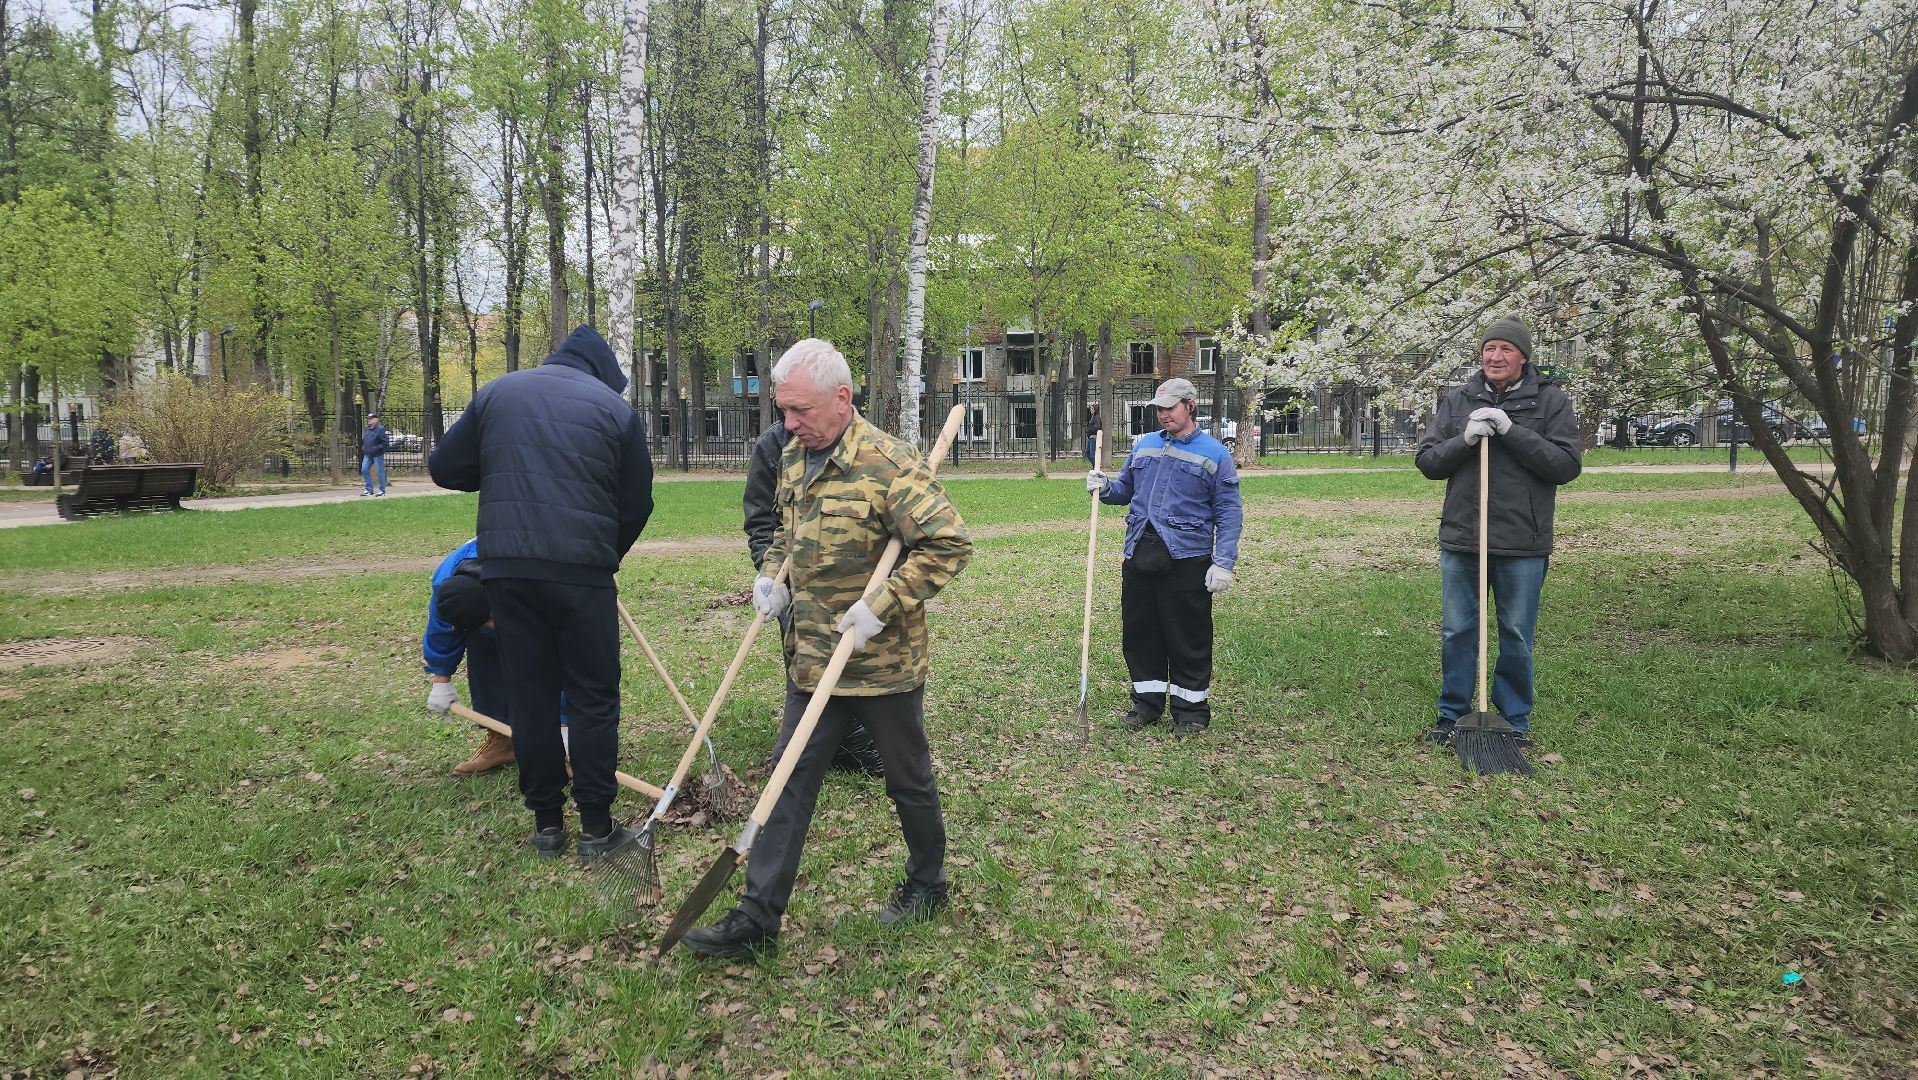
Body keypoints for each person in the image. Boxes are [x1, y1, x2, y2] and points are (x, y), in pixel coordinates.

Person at [682, 338, 972, 960]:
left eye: (800, 410)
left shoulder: (888, 463)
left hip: (881, 664)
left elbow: (948, 544)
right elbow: (785, 535)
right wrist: (773, 578)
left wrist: (880, 605)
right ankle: (757, 917)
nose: (788, 423)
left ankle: (928, 883)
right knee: (787, 782)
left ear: (842, 398)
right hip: (812, 658)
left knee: (907, 779)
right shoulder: (793, 457)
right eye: (783, 409)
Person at [428, 325, 655, 860]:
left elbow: (446, 467)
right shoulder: (616, 410)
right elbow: (637, 502)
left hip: (507, 571)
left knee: (529, 694)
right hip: (583, 575)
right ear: (603, 373)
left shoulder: (497, 393)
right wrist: (604, 555)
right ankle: (597, 828)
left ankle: (547, 826)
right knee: (593, 697)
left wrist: (503, 463)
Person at [1414, 315, 1581, 747]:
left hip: (1522, 539)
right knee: (1457, 631)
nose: (1495, 356)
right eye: (1489, 348)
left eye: (1506, 348)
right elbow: (1428, 462)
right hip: (1463, 538)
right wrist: (1465, 440)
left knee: (1516, 634)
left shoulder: (1551, 403)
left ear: (1523, 356)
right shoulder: (1459, 400)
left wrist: (1511, 431)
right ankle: (1452, 716)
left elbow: (1565, 466)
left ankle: (1514, 720)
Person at [1086, 377, 1243, 738]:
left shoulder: (1215, 454)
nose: (1163, 414)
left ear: (1190, 406)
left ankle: (1191, 713)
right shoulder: (1144, 446)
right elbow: (1125, 490)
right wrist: (1105, 486)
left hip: (1187, 559)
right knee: (1141, 634)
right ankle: (1146, 704)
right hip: (1140, 553)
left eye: (1170, 407)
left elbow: (1228, 512)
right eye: (1159, 408)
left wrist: (1223, 562)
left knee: (1187, 638)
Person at [743, 419, 886, 778]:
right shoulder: (775, 447)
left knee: (853, 662)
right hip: (797, 584)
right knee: (805, 666)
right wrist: (771, 577)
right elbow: (763, 522)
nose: (796, 419)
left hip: (850, 583)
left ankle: (853, 743)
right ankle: (809, 749)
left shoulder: (863, 443)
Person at [421, 538, 517, 775]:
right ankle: (503, 739)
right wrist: (441, 680)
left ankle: (568, 741)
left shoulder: (524, 570)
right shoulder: (446, 583)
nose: (492, 626)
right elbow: (442, 629)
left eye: (491, 619)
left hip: (526, 587)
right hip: (490, 592)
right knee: (483, 642)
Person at [360, 413, 390, 496]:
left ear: (376, 420)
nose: (368, 420)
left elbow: (385, 442)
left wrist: (376, 448)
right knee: (364, 469)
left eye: (370, 419)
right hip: (368, 453)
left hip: (377, 454)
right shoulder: (367, 428)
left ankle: (382, 491)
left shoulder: (380, 429)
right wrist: (364, 448)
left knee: (380, 472)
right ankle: (369, 490)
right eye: (368, 418)